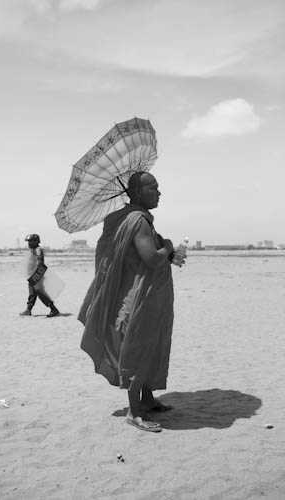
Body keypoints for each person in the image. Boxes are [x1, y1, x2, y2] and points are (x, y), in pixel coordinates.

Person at [78, 172, 186, 432]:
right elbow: (151, 259)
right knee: (140, 346)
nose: (159, 193)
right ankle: (134, 410)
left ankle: (147, 399)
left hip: (150, 295)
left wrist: (167, 251)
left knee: (153, 343)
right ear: (137, 192)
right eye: (153, 188)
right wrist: (169, 247)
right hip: (140, 297)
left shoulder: (135, 219)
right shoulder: (137, 220)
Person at [19, 234, 60, 318]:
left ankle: (54, 309)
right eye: (28, 242)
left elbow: (39, 261)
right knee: (32, 293)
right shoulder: (33, 250)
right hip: (32, 275)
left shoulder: (38, 250)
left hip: (37, 275)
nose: (29, 243)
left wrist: (35, 274)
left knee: (41, 294)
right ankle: (28, 310)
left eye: (31, 241)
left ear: (36, 242)